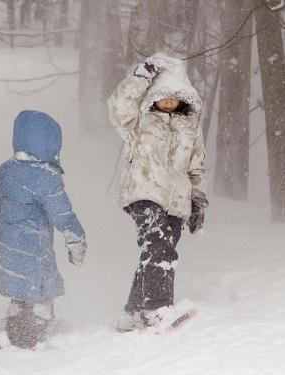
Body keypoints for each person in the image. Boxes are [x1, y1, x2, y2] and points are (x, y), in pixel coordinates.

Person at [107, 53, 208, 331]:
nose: (168, 101)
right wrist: (142, 75)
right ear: (153, 95)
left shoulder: (191, 128)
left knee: (158, 249)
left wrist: (197, 200)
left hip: (176, 203)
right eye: (162, 95)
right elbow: (117, 107)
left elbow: (196, 168)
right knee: (159, 242)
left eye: (174, 97)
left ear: (184, 98)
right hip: (144, 193)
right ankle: (157, 309)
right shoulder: (139, 121)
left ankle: (134, 311)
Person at [0, 110, 86, 349]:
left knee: (19, 293)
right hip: (35, 252)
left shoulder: (6, 170)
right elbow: (63, 215)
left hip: (8, 251)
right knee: (40, 294)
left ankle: (17, 327)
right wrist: (76, 242)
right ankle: (34, 337)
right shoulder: (46, 176)